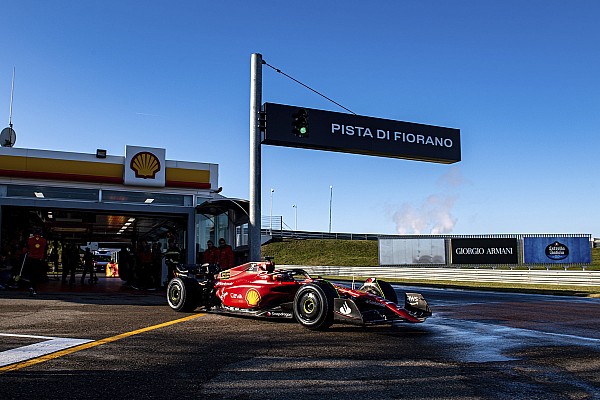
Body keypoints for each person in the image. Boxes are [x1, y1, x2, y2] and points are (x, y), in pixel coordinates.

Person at [26, 229, 47, 295]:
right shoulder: (43, 240)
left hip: (31, 258)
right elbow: (45, 250)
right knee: (37, 274)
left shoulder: (30, 240)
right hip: (39, 259)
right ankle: (34, 288)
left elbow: (25, 249)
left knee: (31, 274)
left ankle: (31, 286)